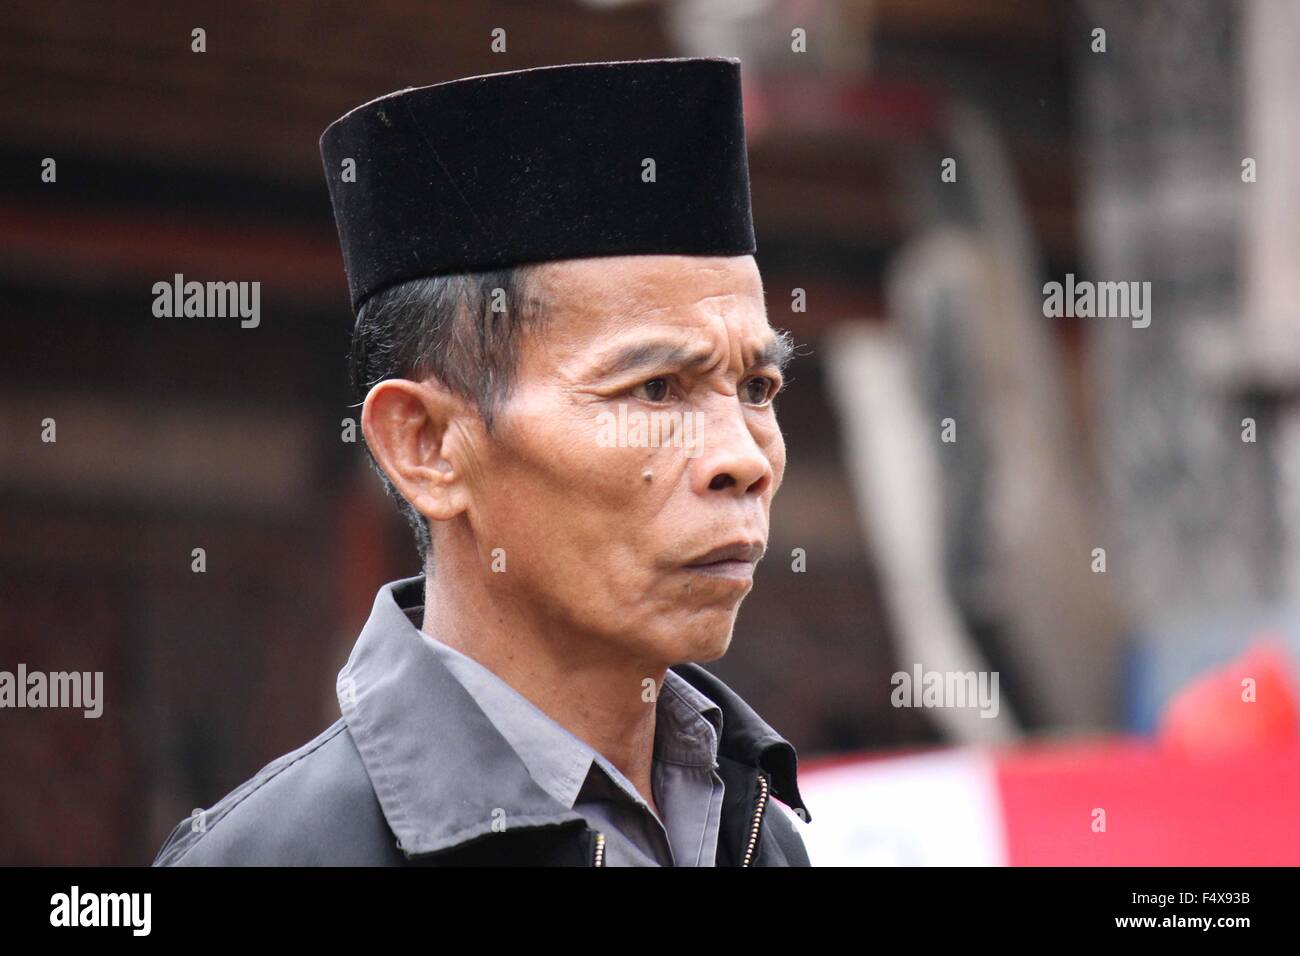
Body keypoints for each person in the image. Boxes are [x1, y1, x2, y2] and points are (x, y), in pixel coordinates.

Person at [153, 56, 810, 866]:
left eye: (756, 384)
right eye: (655, 389)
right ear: (425, 445)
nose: (742, 459)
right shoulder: (271, 858)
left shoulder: (759, 831)